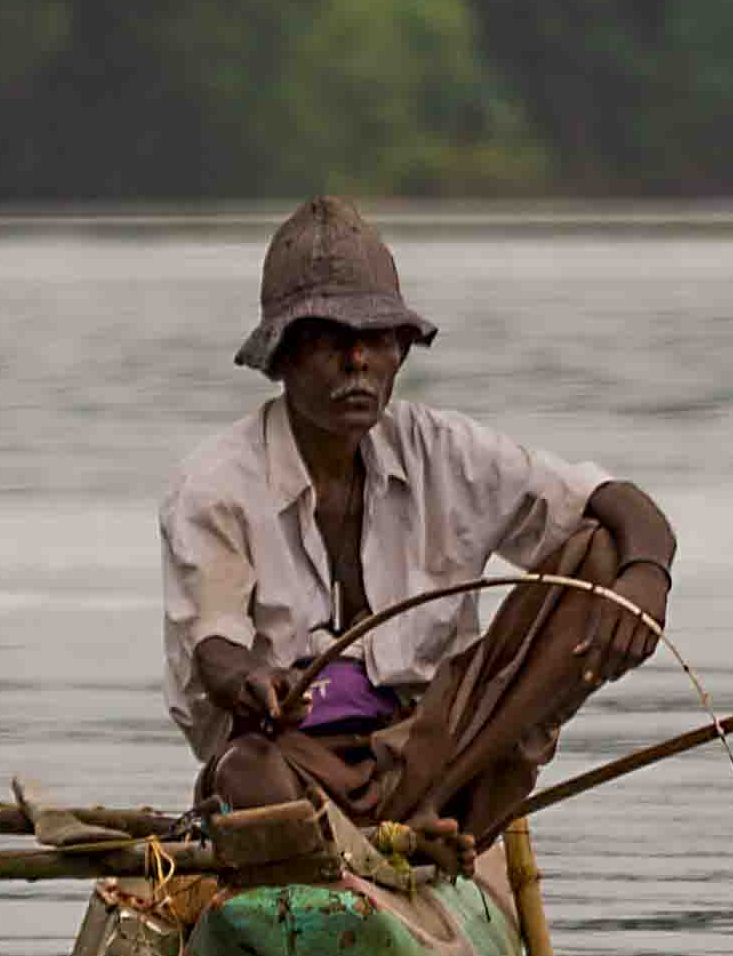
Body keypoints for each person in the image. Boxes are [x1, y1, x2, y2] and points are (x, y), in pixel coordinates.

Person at [159, 199, 681, 837]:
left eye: (375, 341)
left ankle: (444, 811)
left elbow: (615, 502)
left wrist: (648, 576)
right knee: (246, 774)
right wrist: (252, 682)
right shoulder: (214, 485)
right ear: (285, 358)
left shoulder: (445, 451)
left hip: (441, 760)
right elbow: (214, 650)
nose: (358, 363)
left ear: (400, 353)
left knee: (601, 556)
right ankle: (363, 848)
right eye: (332, 342)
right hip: (295, 764)